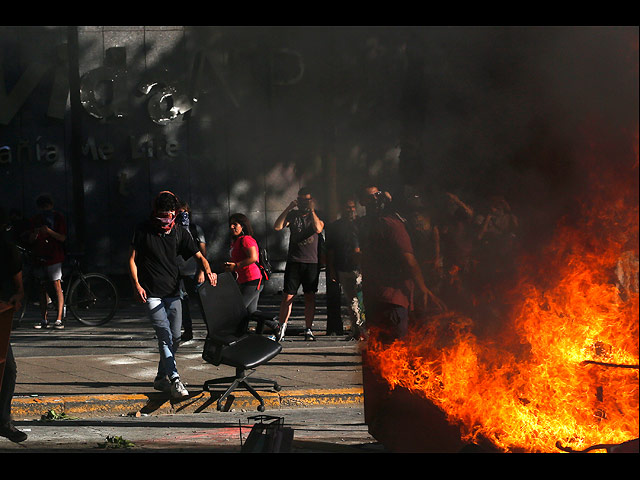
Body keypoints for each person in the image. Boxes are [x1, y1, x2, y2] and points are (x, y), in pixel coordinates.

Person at [128, 191, 217, 400]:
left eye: (168, 216)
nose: (164, 221)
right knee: (164, 336)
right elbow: (131, 259)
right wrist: (136, 285)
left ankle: (161, 377)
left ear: (175, 214)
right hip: (151, 294)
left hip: (173, 292)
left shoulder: (180, 232)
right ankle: (175, 379)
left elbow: (198, 256)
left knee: (175, 337)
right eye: (160, 216)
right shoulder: (143, 230)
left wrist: (208, 270)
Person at [273, 187, 325, 341]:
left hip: (311, 262)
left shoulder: (317, 215)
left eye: (307, 200)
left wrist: (312, 211)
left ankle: (308, 329)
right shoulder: (293, 215)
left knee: (310, 296)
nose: (304, 203)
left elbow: (318, 228)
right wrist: (289, 208)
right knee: (287, 296)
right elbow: (277, 226)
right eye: (301, 200)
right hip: (294, 261)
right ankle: (282, 327)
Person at [0, 206, 27, 443]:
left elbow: (20, 289)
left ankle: (3, 420)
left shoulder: (8, 250)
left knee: (7, 368)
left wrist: (16, 299)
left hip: (1, 315)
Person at [325, 197, 365, 340]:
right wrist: (331, 269)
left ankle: (364, 329)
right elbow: (330, 250)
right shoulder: (336, 227)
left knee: (361, 299)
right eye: (348, 207)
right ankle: (357, 329)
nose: (351, 210)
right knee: (351, 301)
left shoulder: (360, 224)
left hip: (359, 268)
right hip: (343, 267)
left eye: (353, 207)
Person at [27, 194, 67, 330]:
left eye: (47, 206)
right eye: (42, 207)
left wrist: (49, 231)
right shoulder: (35, 220)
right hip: (40, 257)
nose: (45, 209)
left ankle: (59, 318)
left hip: (54, 257)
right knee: (42, 288)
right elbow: (30, 239)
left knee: (57, 287)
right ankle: (44, 319)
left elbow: (62, 238)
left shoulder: (58, 218)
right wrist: (35, 234)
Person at [176, 201, 207, 343]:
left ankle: (211, 330)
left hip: (193, 272)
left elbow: (202, 251)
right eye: (179, 212)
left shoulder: (195, 229)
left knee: (203, 304)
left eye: (185, 212)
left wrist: (201, 271)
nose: (182, 215)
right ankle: (187, 331)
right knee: (182, 304)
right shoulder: (173, 229)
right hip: (178, 272)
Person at [224, 213, 265, 314]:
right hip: (244, 279)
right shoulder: (236, 241)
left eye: (235, 224)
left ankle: (238, 330)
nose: (231, 227)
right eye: (230, 224)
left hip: (252, 280)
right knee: (251, 311)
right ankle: (274, 325)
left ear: (242, 226)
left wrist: (236, 266)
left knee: (237, 309)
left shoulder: (246, 239)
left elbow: (253, 258)